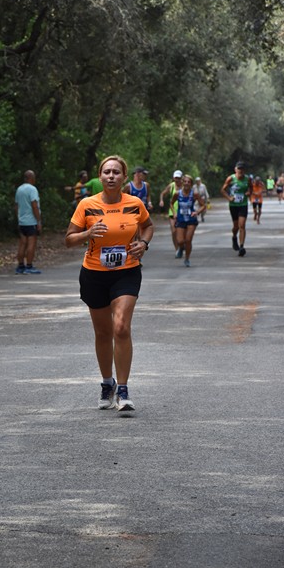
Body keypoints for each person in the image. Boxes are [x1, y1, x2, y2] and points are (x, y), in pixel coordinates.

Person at [65, 155, 154, 412]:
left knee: (122, 327)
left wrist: (144, 243)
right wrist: (87, 233)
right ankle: (107, 383)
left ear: (124, 177)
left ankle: (124, 390)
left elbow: (148, 226)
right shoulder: (87, 204)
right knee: (103, 333)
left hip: (126, 271)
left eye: (116, 172)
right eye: (107, 172)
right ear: (100, 176)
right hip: (94, 273)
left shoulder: (135, 203)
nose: (111, 176)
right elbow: (69, 239)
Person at [170, 174, 206, 267]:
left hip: (191, 219)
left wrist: (197, 212)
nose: (186, 183)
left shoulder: (194, 194)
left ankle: (187, 259)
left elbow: (203, 205)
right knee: (180, 241)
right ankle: (181, 248)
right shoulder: (177, 193)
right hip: (181, 219)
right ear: (182, 182)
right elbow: (171, 203)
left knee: (188, 240)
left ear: (191, 184)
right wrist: (174, 213)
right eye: (185, 181)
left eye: (188, 182)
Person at [221, 161, 252, 257]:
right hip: (233, 205)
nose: (240, 170)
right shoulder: (231, 178)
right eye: (239, 168)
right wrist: (229, 198)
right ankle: (234, 237)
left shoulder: (247, 179)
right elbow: (222, 190)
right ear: (235, 169)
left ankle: (242, 246)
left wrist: (249, 193)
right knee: (236, 227)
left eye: (242, 169)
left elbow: (251, 188)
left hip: (243, 204)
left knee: (242, 225)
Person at [15, 170, 42, 274]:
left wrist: (19, 218)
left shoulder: (19, 189)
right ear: (30, 178)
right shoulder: (32, 189)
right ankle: (29, 266)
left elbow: (16, 206)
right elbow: (34, 205)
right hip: (31, 221)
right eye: (34, 177)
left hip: (22, 222)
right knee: (31, 244)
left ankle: (20, 266)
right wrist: (38, 221)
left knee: (22, 244)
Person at [159, 170, 184, 257]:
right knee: (174, 231)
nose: (177, 180)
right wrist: (161, 200)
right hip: (172, 211)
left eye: (178, 178)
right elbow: (163, 193)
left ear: (181, 178)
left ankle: (181, 245)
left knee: (181, 231)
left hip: (182, 212)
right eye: (175, 178)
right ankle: (177, 249)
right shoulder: (172, 186)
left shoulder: (185, 186)